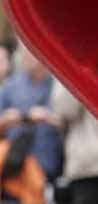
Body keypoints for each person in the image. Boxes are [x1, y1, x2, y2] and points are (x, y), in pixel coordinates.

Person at [0, 44, 64, 184]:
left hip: (51, 163)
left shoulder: (59, 84)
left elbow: (70, 123)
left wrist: (48, 117)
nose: (26, 57)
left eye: (31, 53)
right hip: (17, 166)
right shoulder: (10, 87)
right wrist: (13, 118)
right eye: (24, 53)